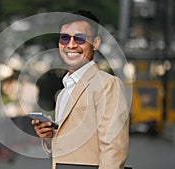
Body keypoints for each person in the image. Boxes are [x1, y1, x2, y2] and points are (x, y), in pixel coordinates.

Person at [31, 9, 129, 169]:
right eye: (64, 38)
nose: (70, 45)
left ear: (95, 43)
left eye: (79, 38)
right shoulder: (63, 93)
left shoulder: (108, 85)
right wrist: (49, 136)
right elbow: (65, 150)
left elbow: (113, 150)